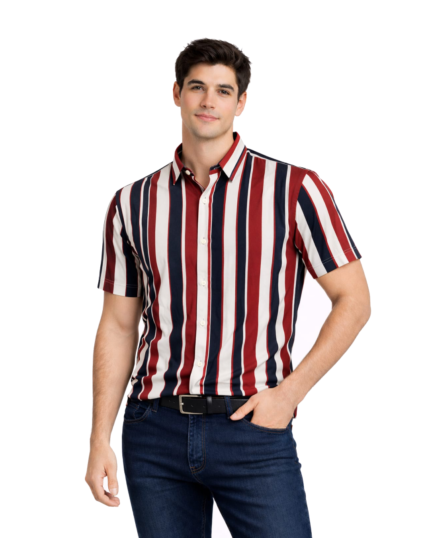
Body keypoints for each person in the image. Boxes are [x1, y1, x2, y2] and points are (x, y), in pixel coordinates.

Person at [85, 38, 371, 538]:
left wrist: (289, 394)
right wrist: (98, 438)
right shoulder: (132, 202)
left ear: (241, 103)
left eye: (223, 91)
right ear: (177, 94)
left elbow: (355, 300)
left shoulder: (294, 189)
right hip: (154, 431)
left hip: (252, 429)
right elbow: (118, 324)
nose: (208, 101)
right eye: (197, 87)